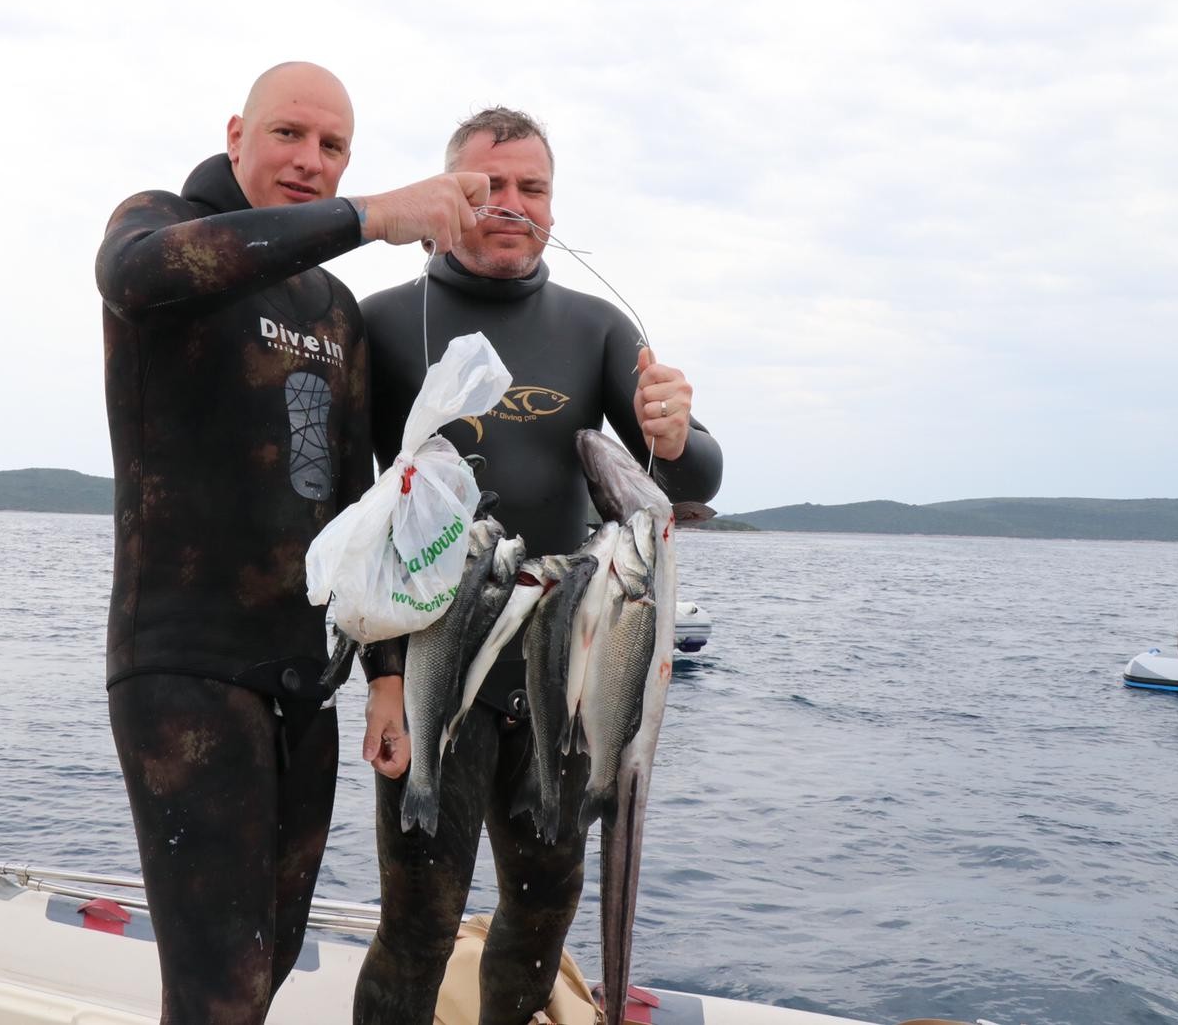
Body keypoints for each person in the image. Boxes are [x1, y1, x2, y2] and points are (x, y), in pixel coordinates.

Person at [92, 61, 486, 1025]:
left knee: (266, 967)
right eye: (288, 135)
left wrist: (384, 675)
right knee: (218, 992)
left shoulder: (332, 308)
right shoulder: (158, 226)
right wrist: (372, 216)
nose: (311, 160)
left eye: (333, 146)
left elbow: (355, 504)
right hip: (187, 666)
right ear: (236, 136)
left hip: (303, 678)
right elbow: (136, 276)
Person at [353, 107, 724, 1025]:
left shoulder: (597, 330)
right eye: (488, 186)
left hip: (565, 671)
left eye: (533, 188)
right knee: (418, 926)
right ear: (448, 195)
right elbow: (344, 520)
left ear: (554, 206)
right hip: (434, 667)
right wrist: (382, 678)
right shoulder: (384, 323)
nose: (512, 204)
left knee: (541, 917)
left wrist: (677, 432)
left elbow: (692, 479)